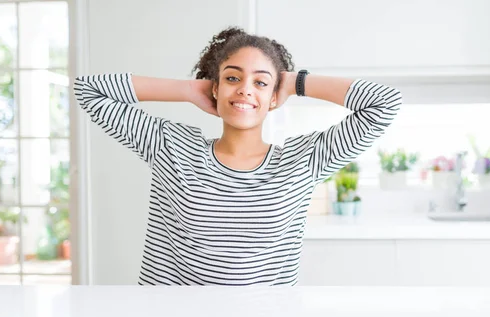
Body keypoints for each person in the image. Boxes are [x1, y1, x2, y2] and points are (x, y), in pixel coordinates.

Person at [73, 27, 402, 286]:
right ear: (215, 88)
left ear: (275, 97)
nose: (245, 88)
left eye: (261, 82)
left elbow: (384, 104)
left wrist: (296, 82)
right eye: (232, 78)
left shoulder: (304, 160)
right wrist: (189, 90)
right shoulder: (171, 147)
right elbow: (88, 90)